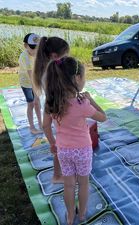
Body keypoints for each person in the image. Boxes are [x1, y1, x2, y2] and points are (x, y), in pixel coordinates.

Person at [42, 57, 107, 225]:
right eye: (84, 77)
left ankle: (70, 216)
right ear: (77, 78)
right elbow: (103, 117)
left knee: (69, 185)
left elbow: (45, 125)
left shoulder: (51, 101)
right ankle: (83, 214)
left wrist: (52, 143)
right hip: (83, 150)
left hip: (63, 150)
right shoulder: (83, 103)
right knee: (83, 184)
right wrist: (91, 99)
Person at [34, 36, 70, 183]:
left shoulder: (48, 69)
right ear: (55, 56)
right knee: (59, 146)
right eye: (65, 56)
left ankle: (58, 174)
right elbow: (45, 122)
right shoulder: (52, 74)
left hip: (54, 111)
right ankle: (57, 176)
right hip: (56, 112)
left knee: (59, 145)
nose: (67, 59)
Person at [18, 33, 43, 134]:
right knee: (31, 103)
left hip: (35, 81)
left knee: (38, 103)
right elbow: (30, 75)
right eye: (32, 47)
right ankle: (32, 127)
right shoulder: (25, 57)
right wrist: (36, 92)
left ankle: (40, 123)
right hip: (26, 83)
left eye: (37, 47)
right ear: (25, 46)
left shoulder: (38, 54)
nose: (35, 50)